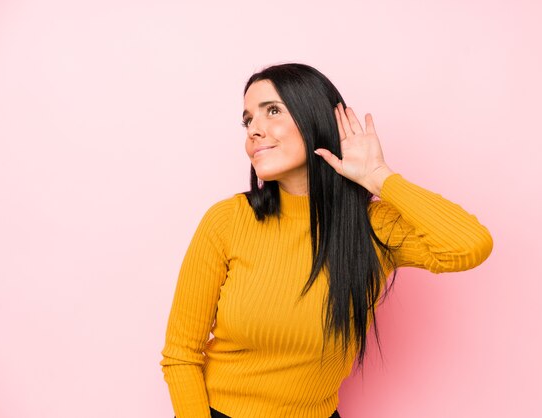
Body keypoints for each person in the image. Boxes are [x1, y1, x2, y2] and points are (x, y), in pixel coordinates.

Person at [160, 63, 493, 418]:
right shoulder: (227, 220)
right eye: (247, 121)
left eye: (272, 111)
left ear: (314, 117)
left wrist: (379, 177)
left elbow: (468, 245)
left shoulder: (371, 227)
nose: (254, 131)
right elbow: (181, 353)